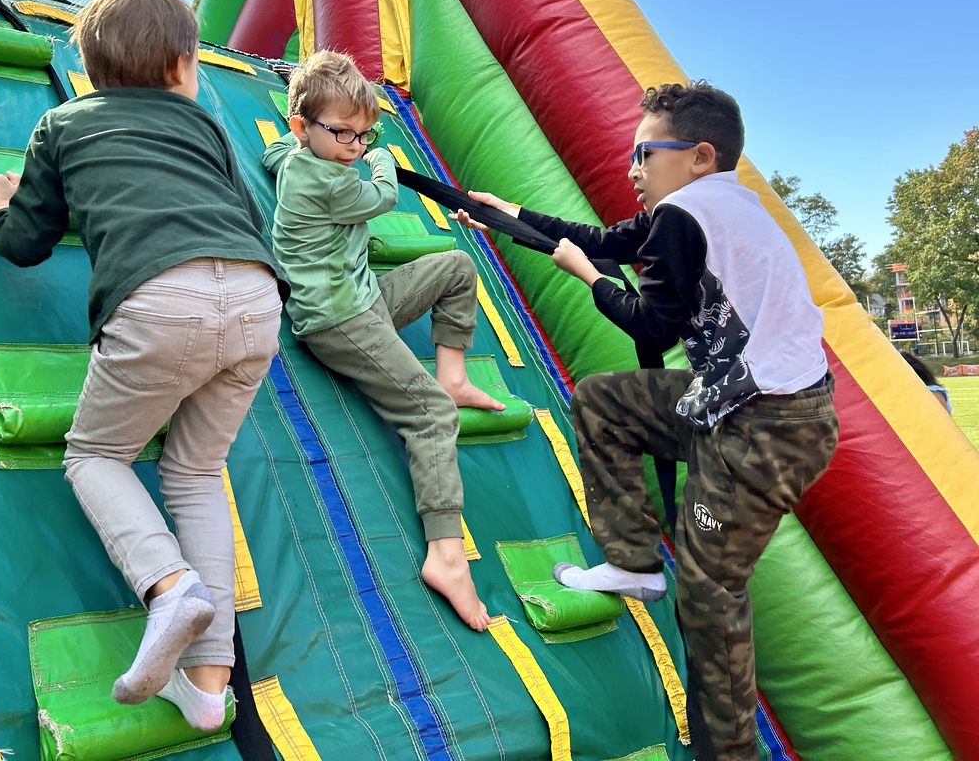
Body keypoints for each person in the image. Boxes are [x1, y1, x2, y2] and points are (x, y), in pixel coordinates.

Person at [455, 81, 838, 760]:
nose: (632, 170)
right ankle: (632, 561)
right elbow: (607, 237)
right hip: (738, 405)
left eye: (644, 154)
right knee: (604, 402)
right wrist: (508, 212)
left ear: (697, 156)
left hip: (768, 430)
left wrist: (585, 275)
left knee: (710, 593)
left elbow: (650, 325)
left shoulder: (689, 214)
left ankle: (728, 754)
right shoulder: (717, 208)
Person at [0, 0, 283, 733]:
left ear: (94, 70)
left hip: (158, 301)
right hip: (255, 297)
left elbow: (27, 241)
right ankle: (209, 689)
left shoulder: (64, 125)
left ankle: (168, 585)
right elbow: (245, 214)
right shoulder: (203, 124)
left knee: (96, 455)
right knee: (199, 472)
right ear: (182, 64)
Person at [262, 50, 503, 632]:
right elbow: (384, 197)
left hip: (365, 296)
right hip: (339, 321)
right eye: (344, 133)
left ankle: (455, 372)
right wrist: (387, 159)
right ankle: (446, 555)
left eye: (367, 134)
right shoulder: (332, 180)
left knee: (454, 268)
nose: (357, 145)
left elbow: (278, 158)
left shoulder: (300, 155)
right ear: (303, 126)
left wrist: (293, 149)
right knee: (429, 415)